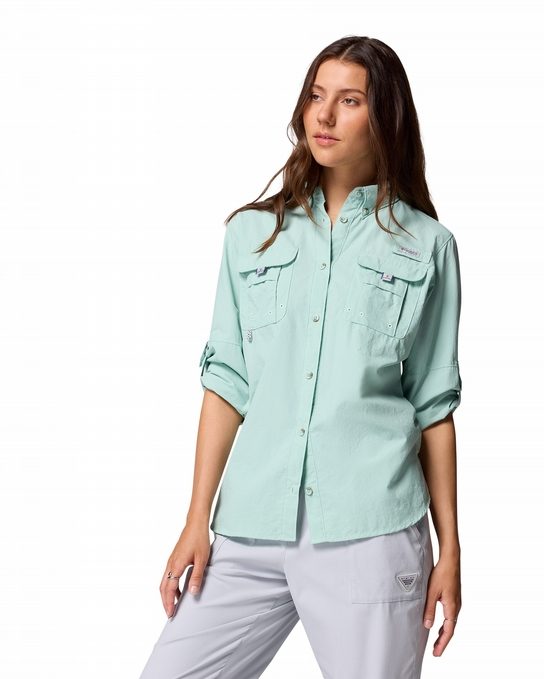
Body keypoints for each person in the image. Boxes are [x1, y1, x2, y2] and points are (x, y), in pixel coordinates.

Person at [139, 35, 463, 679]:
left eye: (350, 100)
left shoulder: (429, 246)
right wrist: (196, 519)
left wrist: (449, 549)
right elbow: (227, 381)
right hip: (251, 520)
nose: (325, 114)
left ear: (386, 118)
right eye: (317, 96)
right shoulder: (251, 235)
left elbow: (433, 404)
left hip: (371, 530)